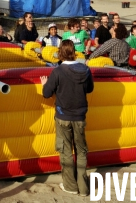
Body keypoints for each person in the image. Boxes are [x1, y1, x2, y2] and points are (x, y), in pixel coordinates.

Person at [40, 40, 94, 197]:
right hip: (79, 116)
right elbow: (90, 88)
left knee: (65, 151)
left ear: (61, 53)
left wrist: (45, 84)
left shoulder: (57, 71)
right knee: (81, 151)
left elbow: (46, 93)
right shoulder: (85, 69)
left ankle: (70, 186)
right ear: (74, 53)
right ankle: (83, 188)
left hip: (63, 116)